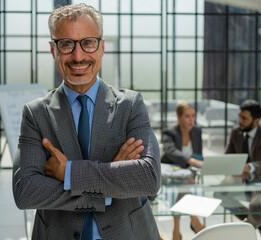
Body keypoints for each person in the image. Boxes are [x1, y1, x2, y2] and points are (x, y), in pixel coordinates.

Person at [12, 3, 161, 240]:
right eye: (67, 44)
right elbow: (25, 191)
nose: (78, 56)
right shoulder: (35, 114)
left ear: (102, 47)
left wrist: (68, 172)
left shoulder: (130, 105)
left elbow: (149, 178)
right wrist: (112, 179)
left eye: (88, 43)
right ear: (53, 50)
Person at [223, 99, 261, 240]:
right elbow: (227, 157)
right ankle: (253, 224)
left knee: (258, 204)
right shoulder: (236, 132)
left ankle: (245, 230)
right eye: (239, 116)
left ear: (256, 121)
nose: (240, 120)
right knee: (219, 193)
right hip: (241, 179)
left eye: (244, 118)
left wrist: (250, 167)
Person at [161, 102, 204, 240]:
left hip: (189, 176)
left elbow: (199, 155)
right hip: (170, 174)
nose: (191, 120)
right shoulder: (170, 132)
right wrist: (190, 161)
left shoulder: (197, 131)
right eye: (187, 116)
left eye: (193, 116)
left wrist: (196, 164)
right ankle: (194, 219)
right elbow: (170, 151)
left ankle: (176, 227)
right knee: (185, 188)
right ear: (179, 117)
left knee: (186, 186)